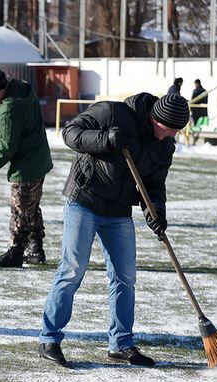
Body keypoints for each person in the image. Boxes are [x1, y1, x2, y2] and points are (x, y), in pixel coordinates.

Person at [37, 93, 190, 367]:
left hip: (119, 211)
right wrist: (105, 140)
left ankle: (121, 344)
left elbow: (154, 185)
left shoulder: (164, 146)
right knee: (72, 270)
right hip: (84, 200)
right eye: (167, 129)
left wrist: (156, 213)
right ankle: (49, 338)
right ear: (154, 118)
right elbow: (70, 133)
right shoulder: (113, 113)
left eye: (175, 131)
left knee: (125, 277)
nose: (169, 135)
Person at [0, 67, 53, 267]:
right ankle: (36, 250)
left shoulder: (10, 108)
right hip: (39, 159)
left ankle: (16, 253)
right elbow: (16, 122)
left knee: (20, 209)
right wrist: (0, 122)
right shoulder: (24, 89)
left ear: (1, 88)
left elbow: (7, 147)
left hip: (26, 166)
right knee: (32, 208)